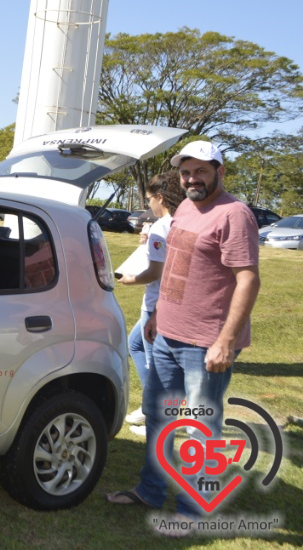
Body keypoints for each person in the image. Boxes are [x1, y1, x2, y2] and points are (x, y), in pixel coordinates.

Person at [106, 140, 261, 536]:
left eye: (202, 172)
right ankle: (151, 491)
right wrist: (157, 313)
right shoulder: (186, 209)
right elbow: (174, 268)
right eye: (187, 172)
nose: (193, 179)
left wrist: (225, 341)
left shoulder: (235, 214)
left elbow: (247, 279)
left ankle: (192, 512)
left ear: (220, 172)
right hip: (167, 333)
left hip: (206, 341)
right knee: (160, 418)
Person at [118, 172, 185, 436]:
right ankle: (150, 408)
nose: (149, 206)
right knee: (134, 344)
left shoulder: (160, 226)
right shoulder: (182, 222)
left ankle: (159, 420)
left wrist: (129, 279)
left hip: (156, 305)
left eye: (149, 200)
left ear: (160, 197)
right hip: (173, 302)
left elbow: (155, 273)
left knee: (156, 366)